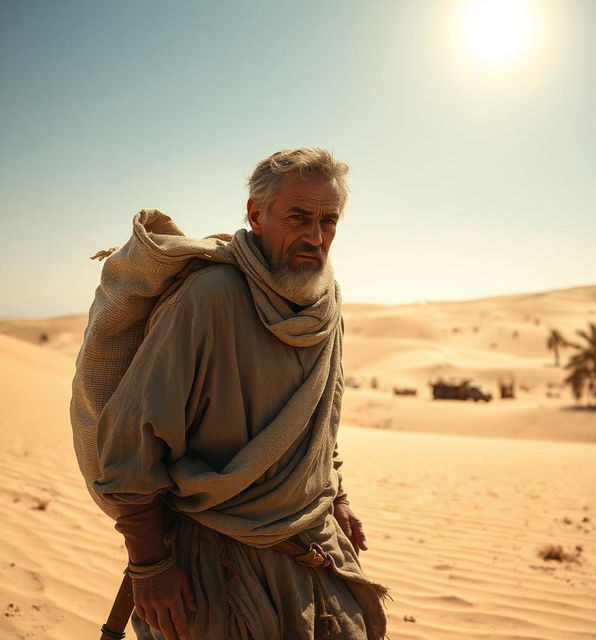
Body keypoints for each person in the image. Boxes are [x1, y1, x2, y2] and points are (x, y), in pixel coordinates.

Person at [88, 148, 387, 640]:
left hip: (313, 548)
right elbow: (129, 440)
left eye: (328, 221)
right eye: (298, 216)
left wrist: (337, 495)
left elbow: (318, 419)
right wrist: (149, 564)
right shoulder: (209, 298)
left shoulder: (325, 302)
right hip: (215, 565)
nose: (316, 236)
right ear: (255, 213)